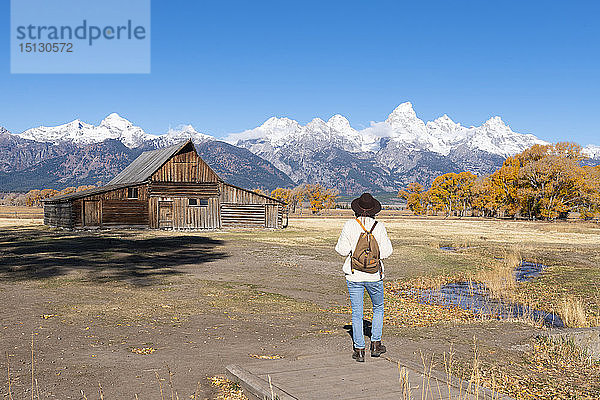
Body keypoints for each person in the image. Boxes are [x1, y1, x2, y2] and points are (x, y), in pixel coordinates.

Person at [335, 193, 393, 362]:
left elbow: (342, 250)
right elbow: (387, 251)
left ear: (357, 209)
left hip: (354, 276)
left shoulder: (349, 225)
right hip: (374, 275)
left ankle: (359, 349)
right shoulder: (379, 226)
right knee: (378, 308)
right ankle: (375, 344)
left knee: (357, 313)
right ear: (373, 210)